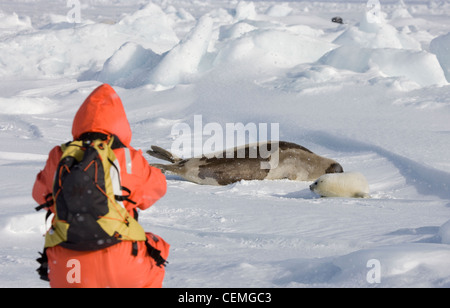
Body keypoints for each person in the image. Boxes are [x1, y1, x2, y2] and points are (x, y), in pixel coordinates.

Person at [32, 84, 168, 288]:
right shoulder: (127, 158)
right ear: (120, 124)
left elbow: (39, 195)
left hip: (68, 264)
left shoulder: (59, 155)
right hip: (122, 262)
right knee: (157, 246)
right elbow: (157, 188)